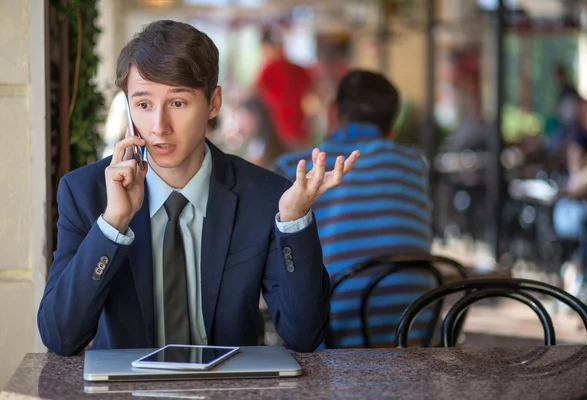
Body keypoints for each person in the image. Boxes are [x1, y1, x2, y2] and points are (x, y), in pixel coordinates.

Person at [37, 20, 359, 356]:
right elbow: (60, 336)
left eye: (178, 103)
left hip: (231, 389)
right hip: (127, 388)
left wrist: (294, 220)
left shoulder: (264, 195)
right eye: (144, 105)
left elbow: (304, 335)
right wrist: (113, 224)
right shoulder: (86, 192)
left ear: (214, 103)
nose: (159, 127)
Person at [274, 70, 433, 347]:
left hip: (332, 344)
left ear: (332, 113)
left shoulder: (293, 170)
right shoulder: (415, 163)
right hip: (414, 335)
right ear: (392, 130)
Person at [254, 27, 312, 151]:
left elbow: (255, 92)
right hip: (299, 125)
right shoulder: (299, 69)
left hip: (276, 128)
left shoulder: (269, 69)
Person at [237, 95, 285, 168]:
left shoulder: (259, 146)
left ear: (256, 117)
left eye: (245, 117)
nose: (242, 123)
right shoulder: (258, 142)